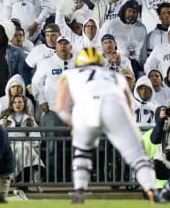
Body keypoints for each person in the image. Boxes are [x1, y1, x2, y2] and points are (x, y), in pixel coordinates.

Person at [54, 47, 160, 203]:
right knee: (137, 155)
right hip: (114, 106)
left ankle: (79, 192)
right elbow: (130, 105)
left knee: (82, 152)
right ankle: (152, 190)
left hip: (85, 109)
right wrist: (126, 126)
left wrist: (73, 124)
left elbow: (60, 108)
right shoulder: (115, 76)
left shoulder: (71, 74)